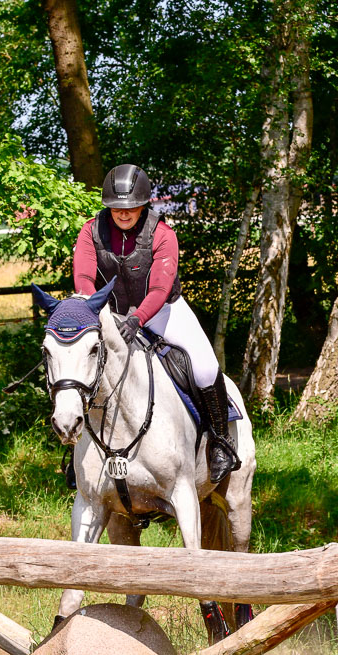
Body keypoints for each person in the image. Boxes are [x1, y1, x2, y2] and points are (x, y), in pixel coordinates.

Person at [72, 163, 240, 485]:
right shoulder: (90, 232)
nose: (124, 213)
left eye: (131, 206)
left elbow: (160, 289)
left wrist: (138, 319)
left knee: (205, 367)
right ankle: (75, 454)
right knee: (80, 366)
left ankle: (221, 442)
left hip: (164, 311)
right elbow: (83, 277)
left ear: (144, 204)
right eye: (117, 207)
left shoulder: (163, 234)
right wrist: (95, 311)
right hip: (110, 313)